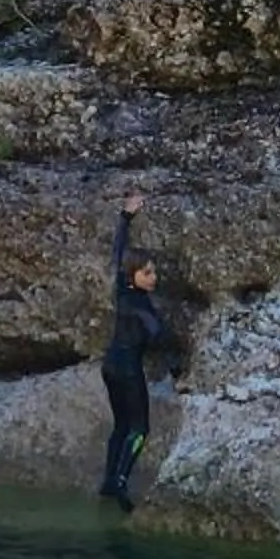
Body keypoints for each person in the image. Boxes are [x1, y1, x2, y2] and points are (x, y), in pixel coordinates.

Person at [100, 190, 173, 510]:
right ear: (135, 276)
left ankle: (107, 480)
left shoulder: (121, 287)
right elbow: (158, 335)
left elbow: (117, 252)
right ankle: (119, 481)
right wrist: (177, 369)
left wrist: (125, 217)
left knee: (120, 425)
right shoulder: (141, 305)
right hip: (128, 370)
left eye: (153, 272)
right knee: (140, 428)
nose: (154, 277)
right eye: (148, 273)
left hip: (109, 366)